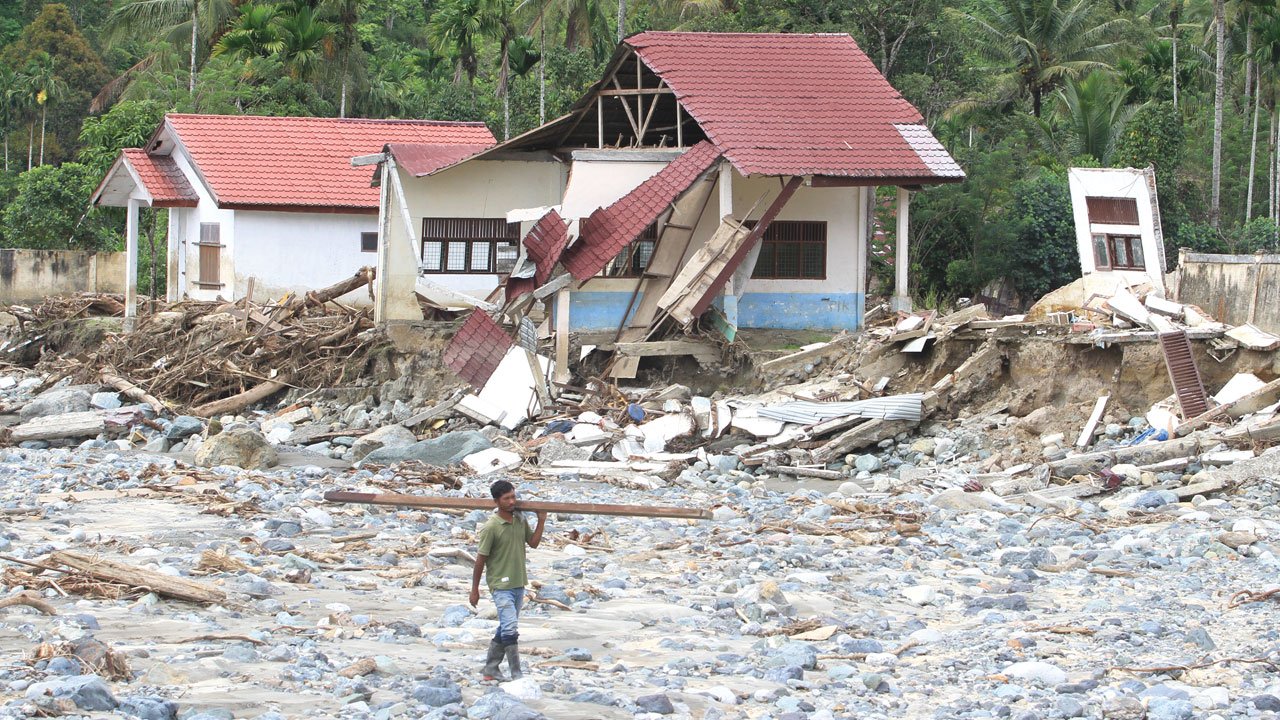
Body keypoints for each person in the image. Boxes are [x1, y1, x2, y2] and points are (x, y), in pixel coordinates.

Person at [469, 479, 546, 682]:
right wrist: (474, 589)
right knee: (511, 628)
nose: (512, 501)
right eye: (507, 498)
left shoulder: (520, 520)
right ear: (497, 501)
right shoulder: (491, 527)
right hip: (500, 585)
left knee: (506, 626)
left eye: (513, 496)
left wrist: (542, 520)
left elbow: (534, 543)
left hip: (518, 583)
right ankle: (516, 673)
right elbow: (480, 560)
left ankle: (490, 669)